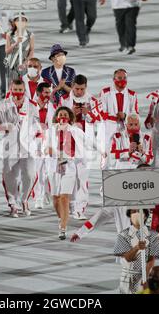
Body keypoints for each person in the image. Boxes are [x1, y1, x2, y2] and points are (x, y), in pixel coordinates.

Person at [0, 79, 40, 218]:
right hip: (10, 146)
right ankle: (13, 204)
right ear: (11, 89)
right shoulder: (2, 105)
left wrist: (34, 136)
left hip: (28, 146)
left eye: (20, 90)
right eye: (15, 90)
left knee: (30, 175)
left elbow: (37, 125)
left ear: (24, 90)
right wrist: (5, 127)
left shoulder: (32, 105)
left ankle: (24, 199)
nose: (18, 93)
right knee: (9, 176)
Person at [59, 74, 102, 219]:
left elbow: (99, 119)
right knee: (70, 177)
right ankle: (70, 206)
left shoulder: (92, 100)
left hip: (85, 144)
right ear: (72, 87)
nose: (79, 92)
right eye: (76, 89)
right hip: (69, 143)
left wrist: (88, 113)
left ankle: (80, 208)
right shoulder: (64, 99)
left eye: (82, 89)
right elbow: (58, 120)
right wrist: (70, 113)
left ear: (86, 87)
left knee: (83, 178)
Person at [45, 106, 85, 239]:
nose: (62, 117)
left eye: (65, 115)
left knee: (64, 197)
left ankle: (63, 227)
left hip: (69, 166)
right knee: (56, 199)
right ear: (56, 117)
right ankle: (62, 217)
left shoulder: (75, 130)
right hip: (54, 166)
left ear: (69, 118)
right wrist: (48, 150)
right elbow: (45, 146)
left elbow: (87, 143)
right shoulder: (50, 131)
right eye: (60, 114)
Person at [113, 209, 159, 294]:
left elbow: (152, 258)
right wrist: (136, 248)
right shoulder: (123, 235)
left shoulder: (154, 235)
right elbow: (127, 258)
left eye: (139, 211)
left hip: (146, 277)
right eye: (133, 212)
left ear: (146, 215)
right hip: (127, 277)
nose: (136, 214)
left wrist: (145, 278)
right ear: (129, 216)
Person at [99, 68, 139, 156]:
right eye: (119, 78)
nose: (123, 80)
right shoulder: (105, 92)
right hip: (109, 126)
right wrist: (114, 117)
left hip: (125, 127)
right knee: (107, 154)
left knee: (126, 153)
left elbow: (135, 113)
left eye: (124, 78)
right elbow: (101, 111)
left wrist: (125, 116)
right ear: (114, 79)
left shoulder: (132, 94)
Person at [32, 82, 56, 209]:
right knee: (38, 171)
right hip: (35, 142)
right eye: (46, 92)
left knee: (50, 171)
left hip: (49, 141)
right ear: (38, 93)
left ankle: (48, 193)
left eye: (50, 92)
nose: (48, 95)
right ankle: (38, 198)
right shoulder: (31, 106)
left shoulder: (53, 106)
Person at [5, 12, 35, 83]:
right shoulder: (9, 34)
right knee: (12, 86)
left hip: (24, 65)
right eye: (18, 20)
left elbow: (31, 51)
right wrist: (16, 43)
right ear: (15, 22)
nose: (21, 22)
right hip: (12, 65)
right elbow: (7, 51)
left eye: (23, 20)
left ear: (26, 22)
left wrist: (25, 63)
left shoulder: (30, 35)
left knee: (25, 86)